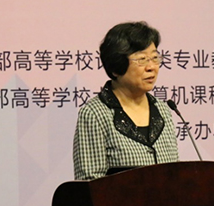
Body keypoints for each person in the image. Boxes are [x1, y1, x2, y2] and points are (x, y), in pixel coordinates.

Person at [73, 21, 179, 180]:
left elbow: (175, 175)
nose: (151, 67)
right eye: (142, 59)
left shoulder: (163, 110)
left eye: (154, 57)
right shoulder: (95, 114)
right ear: (116, 67)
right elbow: (89, 184)